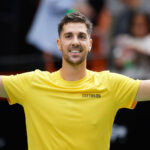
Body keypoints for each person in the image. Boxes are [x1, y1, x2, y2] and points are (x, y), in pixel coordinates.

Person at [0, 11, 150, 150]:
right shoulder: (32, 83)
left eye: (82, 36)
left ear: (90, 44)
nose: (75, 42)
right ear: (58, 44)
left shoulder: (109, 84)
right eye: (69, 36)